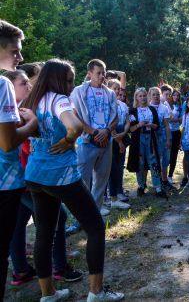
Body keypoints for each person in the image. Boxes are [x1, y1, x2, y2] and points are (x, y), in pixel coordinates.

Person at [22, 59, 124, 302]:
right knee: (96, 228)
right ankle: (97, 292)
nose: (71, 85)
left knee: (44, 234)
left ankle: (48, 294)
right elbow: (75, 125)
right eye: (68, 80)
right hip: (61, 176)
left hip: (36, 176)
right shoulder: (59, 100)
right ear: (57, 80)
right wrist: (69, 140)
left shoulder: (31, 100)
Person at [5, 69, 82, 286]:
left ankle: (21, 270)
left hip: (24, 178)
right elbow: (25, 146)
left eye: (30, 83)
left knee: (20, 222)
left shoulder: (27, 109)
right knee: (55, 220)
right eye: (24, 84)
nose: (29, 87)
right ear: (10, 87)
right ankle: (58, 267)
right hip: (25, 178)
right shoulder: (17, 113)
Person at [0, 19, 38, 301]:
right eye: (15, 51)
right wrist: (31, 124)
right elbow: (8, 141)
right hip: (6, 182)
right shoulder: (2, 84)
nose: (20, 57)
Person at [70, 59, 118, 217]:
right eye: (98, 73)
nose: (102, 76)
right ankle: (81, 217)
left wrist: (106, 131)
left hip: (106, 141)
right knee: (83, 181)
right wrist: (94, 132)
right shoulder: (79, 91)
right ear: (89, 73)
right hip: (87, 142)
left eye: (103, 73)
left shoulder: (110, 93)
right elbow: (74, 115)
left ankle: (95, 214)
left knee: (101, 180)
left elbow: (115, 117)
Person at [127, 87, 166, 198]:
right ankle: (141, 186)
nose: (143, 98)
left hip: (150, 139)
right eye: (140, 96)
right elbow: (130, 129)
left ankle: (158, 187)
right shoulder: (133, 111)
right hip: (138, 140)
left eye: (144, 95)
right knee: (140, 163)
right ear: (136, 98)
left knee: (153, 162)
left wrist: (150, 125)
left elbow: (157, 126)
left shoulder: (152, 109)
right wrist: (139, 125)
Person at [107, 79, 131, 209]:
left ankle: (118, 191)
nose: (117, 91)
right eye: (114, 88)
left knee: (120, 166)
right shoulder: (108, 103)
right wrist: (119, 140)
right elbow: (110, 124)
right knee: (112, 167)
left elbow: (127, 121)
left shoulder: (122, 105)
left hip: (121, 134)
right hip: (113, 138)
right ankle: (110, 194)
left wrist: (124, 133)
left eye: (118, 88)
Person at [149, 86, 173, 189]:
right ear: (149, 95)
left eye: (157, 94)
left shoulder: (164, 108)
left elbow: (167, 125)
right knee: (155, 159)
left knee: (166, 159)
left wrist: (168, 139)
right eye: (153, 94)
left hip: (164, 135)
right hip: (152, 137)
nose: (155, 96)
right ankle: (156, 181)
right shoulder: (147, 107)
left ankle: (165, 179)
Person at [168, 90, 182, 184]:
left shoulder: (180, 107)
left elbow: (181, 121)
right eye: (174, 95)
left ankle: (170, 175)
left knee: (174, 155)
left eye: (178, 95)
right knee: (167, 155)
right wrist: (176, 119)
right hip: (169, 132)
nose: (176, 97)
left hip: (177, 132)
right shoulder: (167, 105)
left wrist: (176, 120)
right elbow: (169, 119)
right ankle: (163, 175)